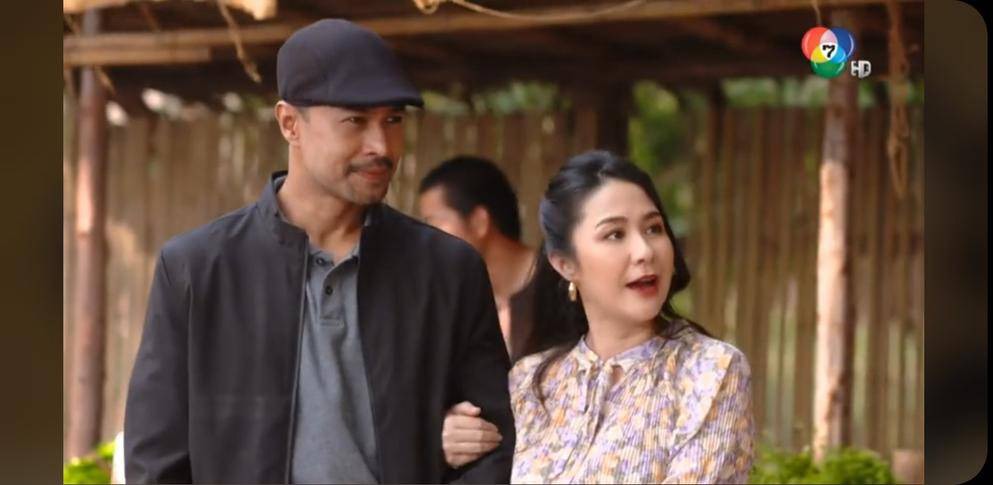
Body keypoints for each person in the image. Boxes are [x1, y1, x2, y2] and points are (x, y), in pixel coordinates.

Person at [124, 19, 514, 484]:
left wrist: (423, 439)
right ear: (290, 123)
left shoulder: (448, 270)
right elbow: (156, 460)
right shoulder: (197, 268)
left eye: (393, 120)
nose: (381, 145)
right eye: (355, 121)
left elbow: (494, 447)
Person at [441, 151, 755, 483]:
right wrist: (446, 443)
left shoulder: (711, 371)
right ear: (565, 264)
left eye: (654, 228)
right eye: (615, 234)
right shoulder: (530, 382)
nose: (645, 251)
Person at [418, 156, 537, 362]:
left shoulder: (560, 282)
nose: (425, 237)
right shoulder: (457, 301)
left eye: (433, 223)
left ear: (479, 222)